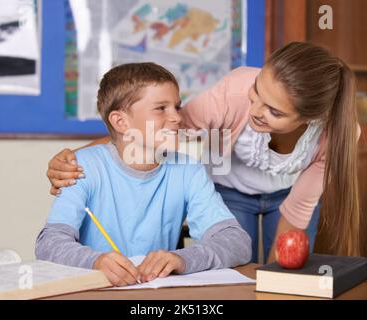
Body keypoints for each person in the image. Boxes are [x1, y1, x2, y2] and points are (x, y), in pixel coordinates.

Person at [46, 42, 361, 262]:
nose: (254, 109)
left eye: (274, 111)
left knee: (285, 272)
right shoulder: (235, 89)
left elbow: (290, 216)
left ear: (308, 117)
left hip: (289, 196)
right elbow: (153, 134)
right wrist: (74, 158)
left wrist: (273, 284)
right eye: (256, 92)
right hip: (231, 189)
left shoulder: (337, 136)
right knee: (241, 269)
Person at [35, 62, 252, 287]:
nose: (177, 118)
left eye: (177, 107)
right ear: (121, 122)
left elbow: (237, 242)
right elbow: (49, 243)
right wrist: (95, 261)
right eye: (161, 108)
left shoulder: (189, 170)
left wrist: (183, 258)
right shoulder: (83, 168)